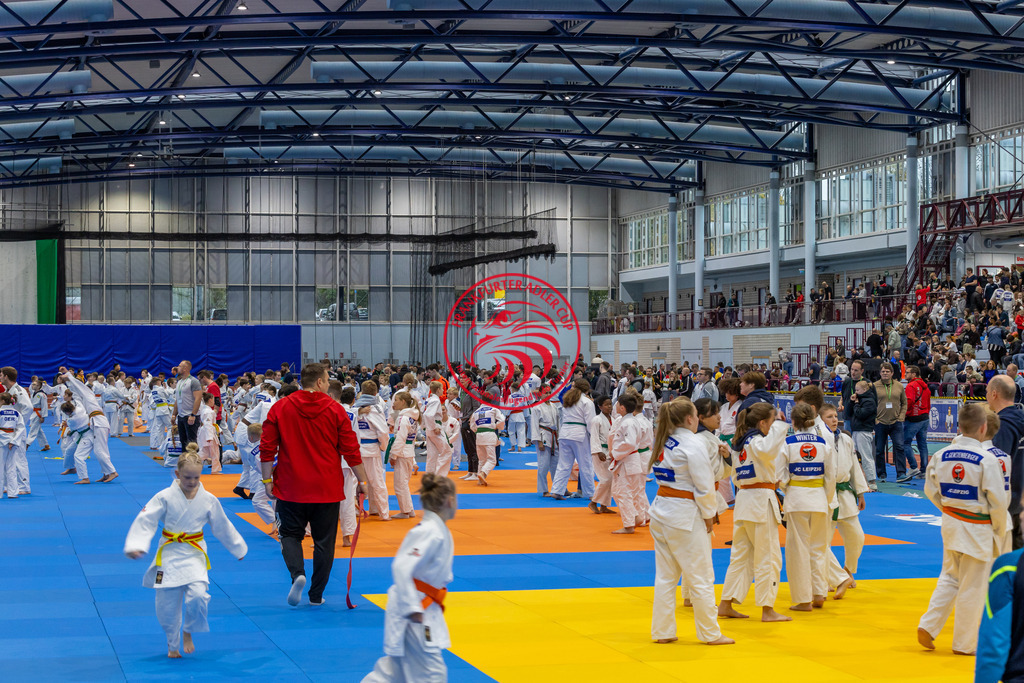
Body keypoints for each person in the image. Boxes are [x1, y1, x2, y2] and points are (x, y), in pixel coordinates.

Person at [124, 445, 248, 658]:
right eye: (187, 477)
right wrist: (137, 545)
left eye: (196, 478)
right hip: (169, 553)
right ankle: (172, 644)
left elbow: (222, 525)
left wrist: (237, 546)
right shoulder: (164, 496)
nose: (192, 482)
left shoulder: (208, 499)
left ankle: (189, 630)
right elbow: (147, 519)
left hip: (194, 553)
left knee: (198, 597)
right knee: (166, 606)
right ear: (177, 474)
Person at [260, 363, 367, 607]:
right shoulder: (336, 410)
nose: (328, 384)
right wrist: (363, 481)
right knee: (324, 542)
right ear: (319, 382)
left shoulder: (280, 407)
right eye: (327, 380)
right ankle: (316, 594)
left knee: (289, 534)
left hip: (290, 485)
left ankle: (298, 574)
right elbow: (351, 450)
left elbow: (267, 449)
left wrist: (267, 480)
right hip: (326, 487)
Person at [919, 402, 1008, 655]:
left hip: (950, 524)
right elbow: (998, 502)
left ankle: (928, 624)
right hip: (978, 528)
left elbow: (930, 490)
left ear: (959, 427)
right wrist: (999, 530)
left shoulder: (941, 454)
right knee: (973, 585)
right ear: (983, 429)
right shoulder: (987, 459)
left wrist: (948, 508)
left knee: (950, 576)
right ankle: (964, 644)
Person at [649, 398, 734, 646]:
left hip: (662, 511)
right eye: (696, 415)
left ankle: (662, 631)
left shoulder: (665, 440)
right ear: (689, 419)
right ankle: (710, 633)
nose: (697, 419)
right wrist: (709, 515)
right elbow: (704, 485)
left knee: (666, 577)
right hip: (684, 516)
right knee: (701, 575)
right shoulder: (692, 443)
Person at [362, 474, 456, 683]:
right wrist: (413, 607)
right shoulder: (430, 531)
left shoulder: (437, 530)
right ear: (450, 500)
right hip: (415, 606)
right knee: (433, 673)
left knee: (393, 672)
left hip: (420, 604)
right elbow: (401, 566)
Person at [718, 402, 791, 622]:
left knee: (741, 556)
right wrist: (780, 423)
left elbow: (735, 476)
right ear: (762, 423)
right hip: (760, 502)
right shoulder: (757, 442)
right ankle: (767, 609)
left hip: (744, 501)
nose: (772, 427)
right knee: (768, 556)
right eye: (770, 422)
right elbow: (770, 449)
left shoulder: (739, 445)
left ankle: (726, 603)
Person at [780, 403, 835, 611]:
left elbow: (781, 476)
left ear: (793, 422)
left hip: (796, 499)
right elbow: (831, 476)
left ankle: (803, 599)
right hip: (819, 498)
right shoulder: (823, 443)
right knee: (819, 547)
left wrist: (789, 489)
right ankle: (819, 592)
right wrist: (826, 498)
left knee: (798, 550)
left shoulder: (788, 443)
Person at [820, 404, 868, 589]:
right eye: (829, 417)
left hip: (846, 494)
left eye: (835, 416)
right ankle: (828, 578)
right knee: (824, 541)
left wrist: (861, 492)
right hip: (826, 495)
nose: (834, 419)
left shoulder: (846, 440)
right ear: (820, 420)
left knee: (857, 536)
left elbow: (854, 466)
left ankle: (847, 571)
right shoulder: (819, 439)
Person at [60, 367, 118, 485]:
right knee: (100, 450)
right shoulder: (83, 400)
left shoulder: (89, 396)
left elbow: (79, 387)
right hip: (97, 422)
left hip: (99, 422)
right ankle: (106, 473)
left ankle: (112, 471)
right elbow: (75, 393)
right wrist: (68, 381)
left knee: (99, 450)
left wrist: (69, 376)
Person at [989, 374, 1024, 549]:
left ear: (994, 394)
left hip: (1011, 505)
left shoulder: (1002, 426)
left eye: (987, 390)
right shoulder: (1020, 418)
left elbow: (999, 467)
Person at [550, 378, 595, 500]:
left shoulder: (567, 400)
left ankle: (557, 491)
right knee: (585, 464)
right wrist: (595, 437)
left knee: (564, 464)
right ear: (586, 389)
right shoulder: (586, 402)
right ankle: (590, 493)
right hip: (579, 434)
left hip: (565, 433)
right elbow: (591, 422)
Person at [608, 393, 646, 533]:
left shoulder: (628, 422)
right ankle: (635, 516)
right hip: (630, 460)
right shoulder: (630, 420)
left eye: (617, 404)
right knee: (625, 492)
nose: (615, 406)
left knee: (622, 492)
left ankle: (629, 524)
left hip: (627, 460)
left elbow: (629, 443)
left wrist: (615, 452)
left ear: (622, 407)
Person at [873, 362, 907, 483]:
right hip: (880, 422)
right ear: (880, 373)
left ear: (892, 373)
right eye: (883, 371)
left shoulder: (899, 386)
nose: (885, 373)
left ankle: (901, 473)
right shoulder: (874, 386)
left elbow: (904, 402)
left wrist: (901, 417)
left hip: (896, 422)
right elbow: (871, 404)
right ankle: (881, 474)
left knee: (899, 447)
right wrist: (875, 419)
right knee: (879, 449)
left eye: (887, 371)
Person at [901, 365, 931, 482]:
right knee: (922, 444)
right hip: (924, 417)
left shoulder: (911, 386)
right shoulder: (925, 387)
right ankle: (924, 471)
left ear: (914, 374)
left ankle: (913, 467)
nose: (905, 375)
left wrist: (904, 414)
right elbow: (928, 403)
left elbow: (909, 401)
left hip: (914, 418)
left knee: (905, 442)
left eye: (907, 373)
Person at [470, 395, 504, 486]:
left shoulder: (476, 412)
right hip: (489, 434)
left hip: (479, 436)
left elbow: (472, 426)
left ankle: (480, 480)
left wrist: (477, 430)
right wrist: (496, 426)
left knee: (482, 459)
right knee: (492, 460)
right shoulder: (493, 409)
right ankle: (483, 473)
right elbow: (502, 420)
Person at [588, 395, 615, 515]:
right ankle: (593, 502)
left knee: (611, 480)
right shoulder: (596, 420)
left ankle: (604, 505)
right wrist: (598, 451)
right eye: (606, 404)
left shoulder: (613, 419)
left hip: (610, 452)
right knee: (606, 479)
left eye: (610, 404)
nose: (609, 406)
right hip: (599, 452)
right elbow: (594, 436)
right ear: (600, 407)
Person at [531, 384, 559, 496]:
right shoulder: (536, 407)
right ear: (540, 393)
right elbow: (534, 425)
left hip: (554, 437)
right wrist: (539, 441)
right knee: (543, 465)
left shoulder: (554, 406)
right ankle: (544, 490)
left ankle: (558, 488)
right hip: (543, 437)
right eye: (545, 393)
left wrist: (559, 438)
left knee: (556, 465)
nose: (547, 395)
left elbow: (558, 424)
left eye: (549, 393)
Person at [0, 392, 26, 499]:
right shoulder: (16, 413)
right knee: (11, 466)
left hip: (1, 440)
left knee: (0, 467)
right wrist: (14, 441)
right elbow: (21, 428)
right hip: (12, 439)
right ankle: (13, 492)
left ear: (2, 401)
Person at [172, 361, 204, 447]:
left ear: (185, 368)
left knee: (192, 443)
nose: (177, 367)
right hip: (181, 416)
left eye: (179, 366)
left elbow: (198, 399)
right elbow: (177, 399)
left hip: (190, 415)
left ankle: (193, 460)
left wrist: (193, 414)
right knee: (183, 442)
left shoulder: (193, 381)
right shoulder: (179, 382)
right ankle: (185, 460)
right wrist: (174, 415)